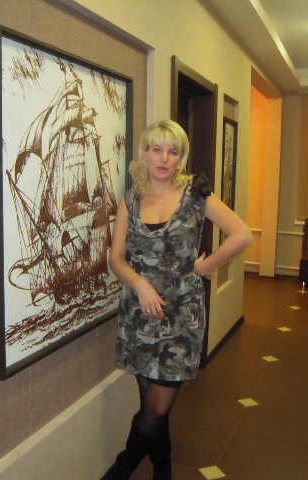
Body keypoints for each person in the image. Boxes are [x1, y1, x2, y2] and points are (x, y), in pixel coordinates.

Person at [103, 119, 252, 479]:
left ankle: (121, 468)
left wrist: (205, 267)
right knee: (150, 403)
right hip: (139, 313)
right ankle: (164, 469)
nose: (164, 158)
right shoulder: (130, 200)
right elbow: (116, 258)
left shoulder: (196, 195)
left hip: (182, 316)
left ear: (181, 157)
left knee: (156, 408)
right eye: (157, 149)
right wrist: (140, 285)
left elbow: (242, 234)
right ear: (144, 153)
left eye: (173, 152)